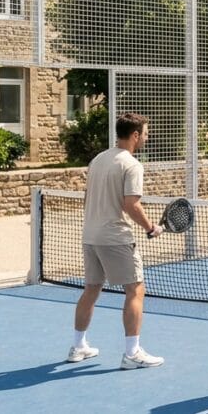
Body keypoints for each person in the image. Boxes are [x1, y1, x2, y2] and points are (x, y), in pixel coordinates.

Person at [69, 112, 165, 369]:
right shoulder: (132, 165)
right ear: (135, 135)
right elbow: (131, 205)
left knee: (91, 289)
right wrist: (151, 228)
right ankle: (132, 354)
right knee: (135, 290)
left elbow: (88, 198)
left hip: (91, 236)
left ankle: (78, 346)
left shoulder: (98, 159)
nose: (147, 138)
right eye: (145, 134)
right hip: (115, 237)